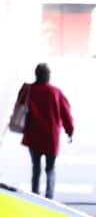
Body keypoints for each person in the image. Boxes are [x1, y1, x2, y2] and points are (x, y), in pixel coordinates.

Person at [18, 63, 74, 198]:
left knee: (36, 168)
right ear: (48, 76)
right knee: (50, 168)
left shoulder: (29, 90)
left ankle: (35, 195)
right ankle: (49, 197)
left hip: (33, 136)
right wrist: (69, 130)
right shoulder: (56, 92)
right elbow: (65, 113)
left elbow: (19, 104)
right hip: (50, 137)